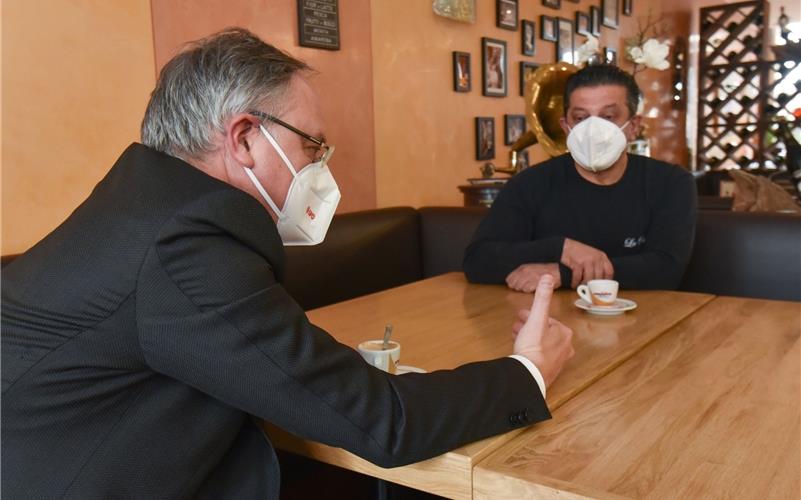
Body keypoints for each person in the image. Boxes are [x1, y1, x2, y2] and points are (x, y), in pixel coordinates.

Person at [1, 29, 574, 499]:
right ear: (245, 138)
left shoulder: (146, 206)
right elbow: (383, 422)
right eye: (312, 146)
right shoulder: (185, 244)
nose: (321, 167)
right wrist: (526, 370)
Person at [463, 64, 697, 292]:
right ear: (566, 126)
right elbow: (478, 261)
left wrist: (561, 274)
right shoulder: (530, 183)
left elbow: (667, 269)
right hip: (551, 321)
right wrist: (561, 248)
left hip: (646, 318)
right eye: (580, 118)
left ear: (633, 126)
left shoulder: (671, 182)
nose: (593, 129)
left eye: (608, 116)